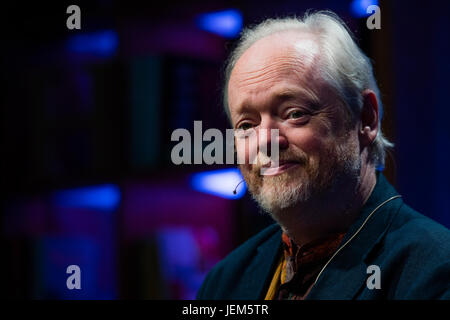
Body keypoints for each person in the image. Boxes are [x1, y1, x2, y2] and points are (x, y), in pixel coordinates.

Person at [196, 11, 450, 300]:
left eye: (294, 114)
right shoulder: (224, 282)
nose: (265, 141)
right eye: (246, 126)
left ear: (365, 118)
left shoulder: (435, 271)